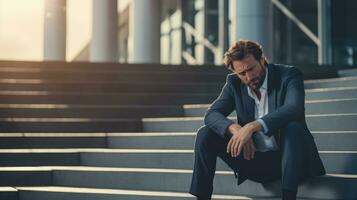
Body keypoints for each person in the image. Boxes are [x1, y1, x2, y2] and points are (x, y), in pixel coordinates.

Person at [189, 40, 325, 200]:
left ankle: (288, 196)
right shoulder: (234, 83)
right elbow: (211, 115)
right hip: (254, 159)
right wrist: (236, 129)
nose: (249, 76)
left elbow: (293, 108)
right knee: (205, 134)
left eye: (251, 68)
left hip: (291, 161)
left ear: (262, 60)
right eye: (242, 73)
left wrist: (253, 126)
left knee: (293, 127)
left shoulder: (288, 75)